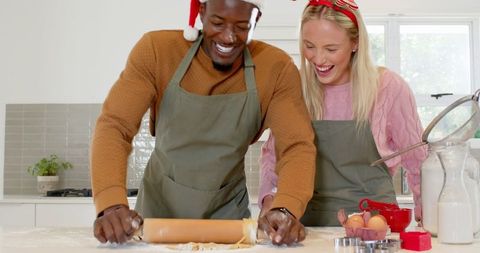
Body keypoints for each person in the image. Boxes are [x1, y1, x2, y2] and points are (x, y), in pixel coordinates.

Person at [90, 0, 316, 246]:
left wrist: (287, 207)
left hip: (228, 220)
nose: (229, 37)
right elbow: (115, 126)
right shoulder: (157, 51)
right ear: (201, 12)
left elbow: (296, 146)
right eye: (218, 23)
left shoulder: (276, 68)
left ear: (256, 20)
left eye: (242, 26)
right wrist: (110, 202)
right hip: (157, 216)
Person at [258, 0, 427, 226]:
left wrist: (429, 216)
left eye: (331, 49)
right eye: (309, 46)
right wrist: (270, 203)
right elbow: (274, 155)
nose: (318, 59)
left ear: (355, 43)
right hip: (309, 225)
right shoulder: (295, 87)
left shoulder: (387, 87)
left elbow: (419, 163)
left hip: (375, 225)